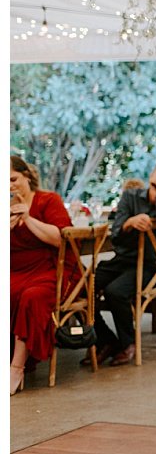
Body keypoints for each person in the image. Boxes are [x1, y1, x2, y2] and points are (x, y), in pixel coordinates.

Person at [94, 158, 156, 365]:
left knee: (115, 292)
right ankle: (107, 340)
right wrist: (130, 222)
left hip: (150, 266)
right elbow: (116, 233)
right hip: (121, 260)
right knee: (83, 286)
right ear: (152, 174)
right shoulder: (131, 196)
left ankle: (128, 343)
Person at [10, 154, 71, 394]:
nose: (9, 185)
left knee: (31, 296)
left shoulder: (48, 200)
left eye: (13, 178)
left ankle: (16, 367)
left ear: (26, 176)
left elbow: (60, 239)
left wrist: (27, 218)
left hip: (49, 269)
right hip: (15, 269)